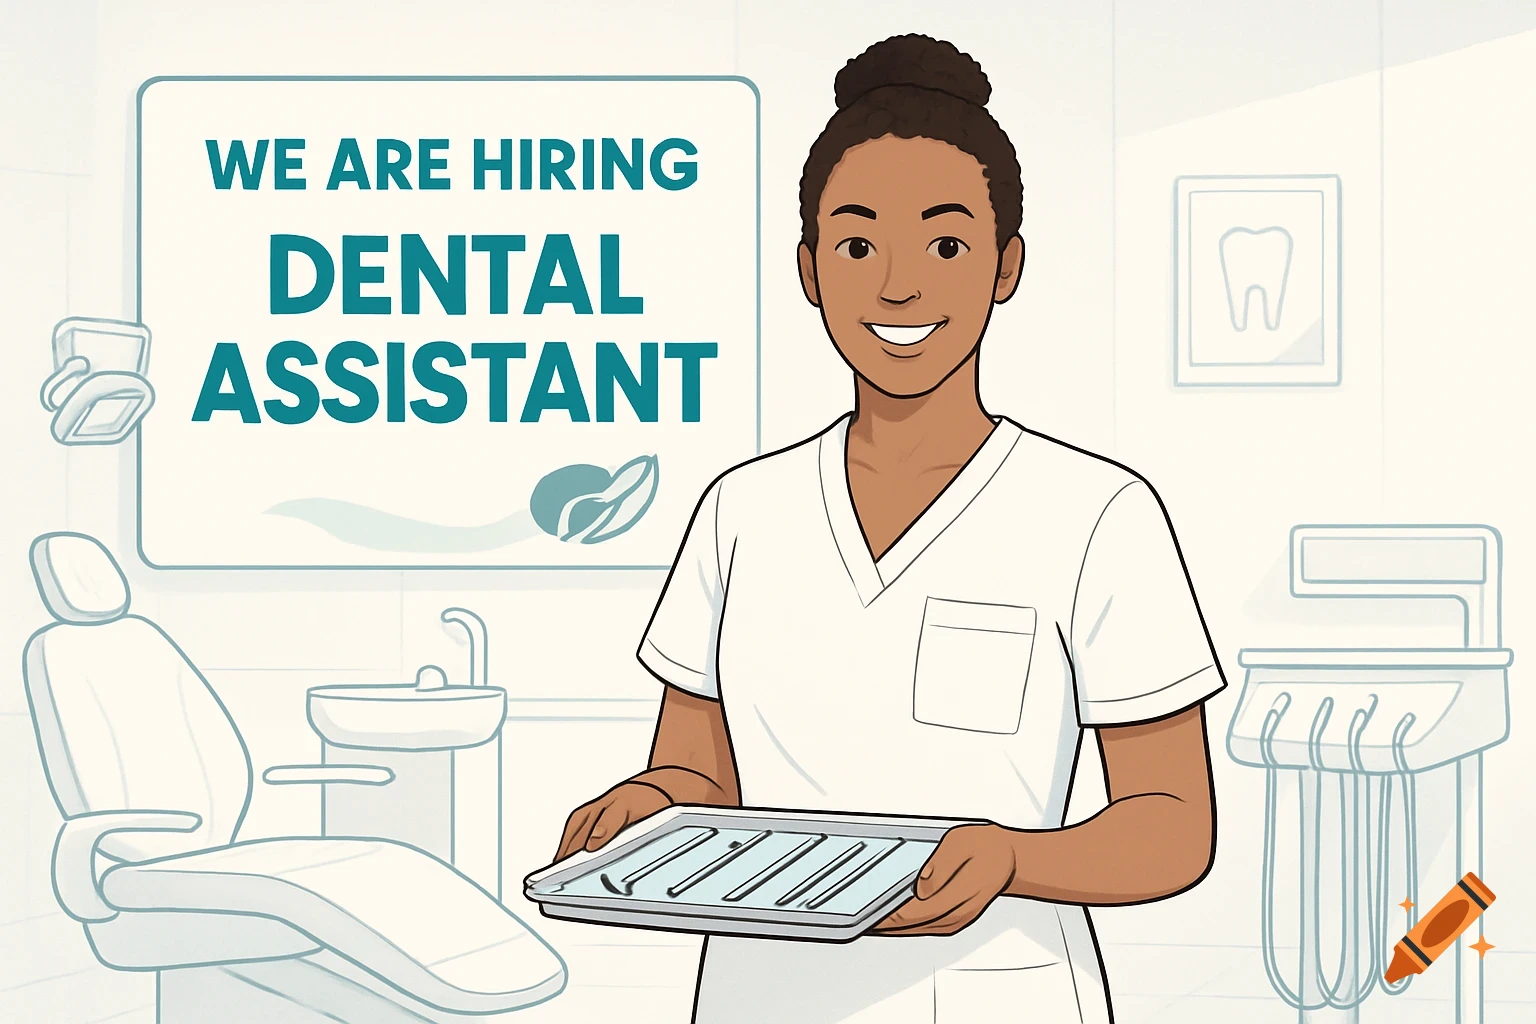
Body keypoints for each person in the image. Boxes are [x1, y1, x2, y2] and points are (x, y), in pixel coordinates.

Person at [555, 33, 1226, 1023]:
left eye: (945, 245)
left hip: (997, 993)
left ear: (1006, 266)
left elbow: (1172, 828)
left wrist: (1013, 859)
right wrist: (650, 806)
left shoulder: (1096, 515)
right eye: (858, 244)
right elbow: (699, 769)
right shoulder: (743, 512)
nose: (898, 287)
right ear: (810, 269)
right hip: (762, 995)